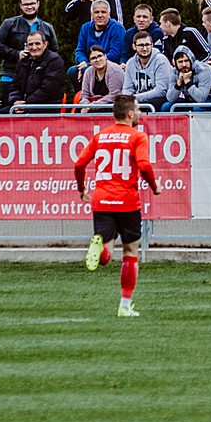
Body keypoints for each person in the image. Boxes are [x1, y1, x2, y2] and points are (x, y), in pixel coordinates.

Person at [75, 94, 161, 317]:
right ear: (130, 114)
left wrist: (81, 189)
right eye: (138, 110)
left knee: (106, 255)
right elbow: (144, 165)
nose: (140, 113)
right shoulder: (138, 136)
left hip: (102, 199)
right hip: (127, 201)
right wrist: (154, 186)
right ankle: (124, 305)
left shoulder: (100, 136)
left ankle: (100, 248)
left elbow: (80, 163)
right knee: (130, 252)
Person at [0, 0, 58, 102]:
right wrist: (16, 54)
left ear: (38, 4)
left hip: (39, 78)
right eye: (26, 4)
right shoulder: (9, 24)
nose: (29, 7)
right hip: (11, 75)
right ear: (20, 6)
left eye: (32, 3)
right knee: (10, 109)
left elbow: (54, 51)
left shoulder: (47, 27)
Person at [7, 31, 66, 111]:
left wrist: (27, 104)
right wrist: (15, 101)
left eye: (37, 43)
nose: (34, 48)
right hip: (22, 107)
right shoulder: (23, 61)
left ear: (45, 44)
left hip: (45, 108)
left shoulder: (54, 61)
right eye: (30, 44)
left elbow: (47, 88)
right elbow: (15, 86)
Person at [72, 0, 125, 88]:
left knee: (87, 70)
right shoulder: (85, 28)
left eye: (103, 12)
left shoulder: (117, 28)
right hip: (89, 63)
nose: (100, 15)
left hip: (110, 65)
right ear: (91, 15)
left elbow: (115, 54)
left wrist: (90, 64)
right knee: (73, 71)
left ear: (109, 14)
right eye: (96, 12)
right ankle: (81, 95)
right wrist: (83, 61)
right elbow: (80, 50)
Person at [122, 30, 175, 111]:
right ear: (134, 46)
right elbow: (127, 89)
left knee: (146, 106)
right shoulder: (130, 63)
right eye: (141, 45)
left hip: (160, 98)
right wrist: (128, 98)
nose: (145, 48)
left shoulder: (161, 60)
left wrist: (135, 98)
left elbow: (161, 90)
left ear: (152, 45)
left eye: (147, 45)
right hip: (138, 98)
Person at [163, 45, 211, 109]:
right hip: (190, 99)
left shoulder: (204, 70)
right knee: (166, 107)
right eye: (180, 62)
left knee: (197, 109)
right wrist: (178, 84)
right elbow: (170, 99)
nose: (184, 65)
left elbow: (201, 98)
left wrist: (188, 82)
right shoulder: (174, 72)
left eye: (186, 61)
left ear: (191, 60)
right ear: (175, 63)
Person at [80, 45, 125, 111]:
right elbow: (84, 95)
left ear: (105, 56)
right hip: (93, 106)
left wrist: (92, 106)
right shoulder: (88, 72)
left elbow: (114, 96)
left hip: (114, 106)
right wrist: (86, 105)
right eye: (93, 58)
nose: (97, 60)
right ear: (89, 62)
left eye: (100, 56)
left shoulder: (115, 71)